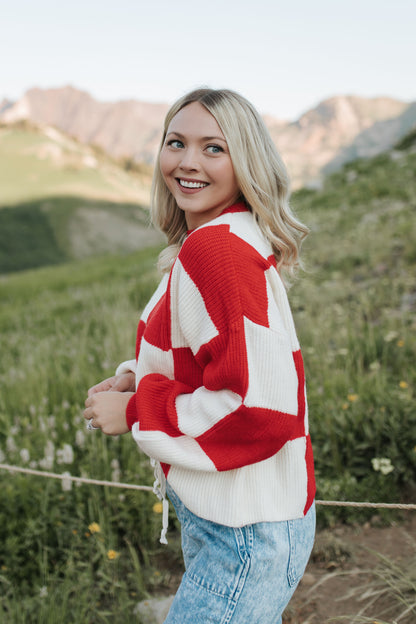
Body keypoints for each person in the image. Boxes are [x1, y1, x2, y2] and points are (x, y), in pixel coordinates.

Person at [84, 87, 316, 623]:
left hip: (246, 534)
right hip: (242, 519)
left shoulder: (216, 251)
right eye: (176, 142)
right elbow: (211, 360)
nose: (188, 163)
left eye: (214, 148)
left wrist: (141, 409)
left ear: (246, 160)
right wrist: (132, 380)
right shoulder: (224, 237)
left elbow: (263, 408)